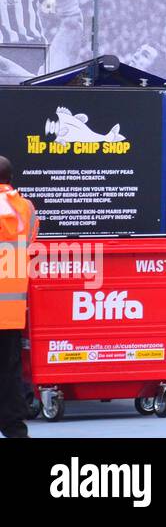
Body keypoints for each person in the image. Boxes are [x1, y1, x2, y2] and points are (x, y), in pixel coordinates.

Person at [0, 156, 37, 438]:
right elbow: (31, 239)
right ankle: (14, 428)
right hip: (10, 307)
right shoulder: (26, 208)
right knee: (10, 370)